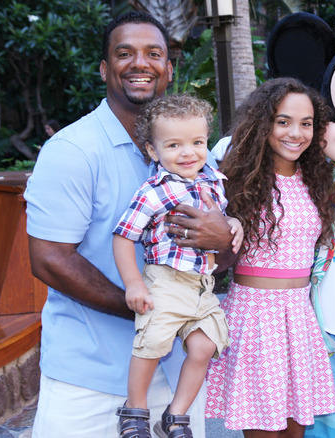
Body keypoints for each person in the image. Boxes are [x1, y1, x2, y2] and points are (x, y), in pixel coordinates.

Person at [24, 11, 234, 438]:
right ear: (105, 68)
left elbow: (216, 251)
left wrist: (224, 238)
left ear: (168, 68)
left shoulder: (198, 155)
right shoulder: (71, 151)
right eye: (125, 53)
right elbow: (48, 259)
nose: (141, 63)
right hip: (90, 379)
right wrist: (149, 310)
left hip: (176, 375)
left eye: (153, 53)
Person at [204, 77, 335, 437]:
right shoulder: (234, 180)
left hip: (299, 316)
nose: (296, 133)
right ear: (263, 124)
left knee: (296, 433)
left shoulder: (317, 179)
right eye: (283, 121)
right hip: (256, 318)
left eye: (306, 123)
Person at [113, 93, 243, 437]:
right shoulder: (153, 192)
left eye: (197, 142)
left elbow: (223, 219)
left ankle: (175, 415)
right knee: (153, 343)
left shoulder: (212, 181)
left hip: (202, 285)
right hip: (167, 281)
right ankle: (135, 409)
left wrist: (236, 224)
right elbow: (124, 236)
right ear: (154, 151)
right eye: (174, 145)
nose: (188, 153)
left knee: (206, 346)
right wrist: (134, 284)